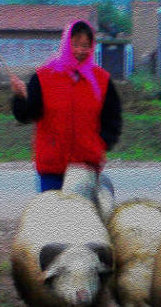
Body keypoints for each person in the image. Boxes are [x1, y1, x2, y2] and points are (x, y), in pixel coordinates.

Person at [10, 19, 122, 192]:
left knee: (82, 217)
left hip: (86, 167)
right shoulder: (43, 77)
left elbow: (112, 120)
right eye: (75, 44)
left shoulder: (102, 80)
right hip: (51, 167)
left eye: (86, 45)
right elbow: (26, 115)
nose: (80, 50)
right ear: (66, 44)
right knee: (51, 216)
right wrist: (19, 97)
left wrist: (99, 145)